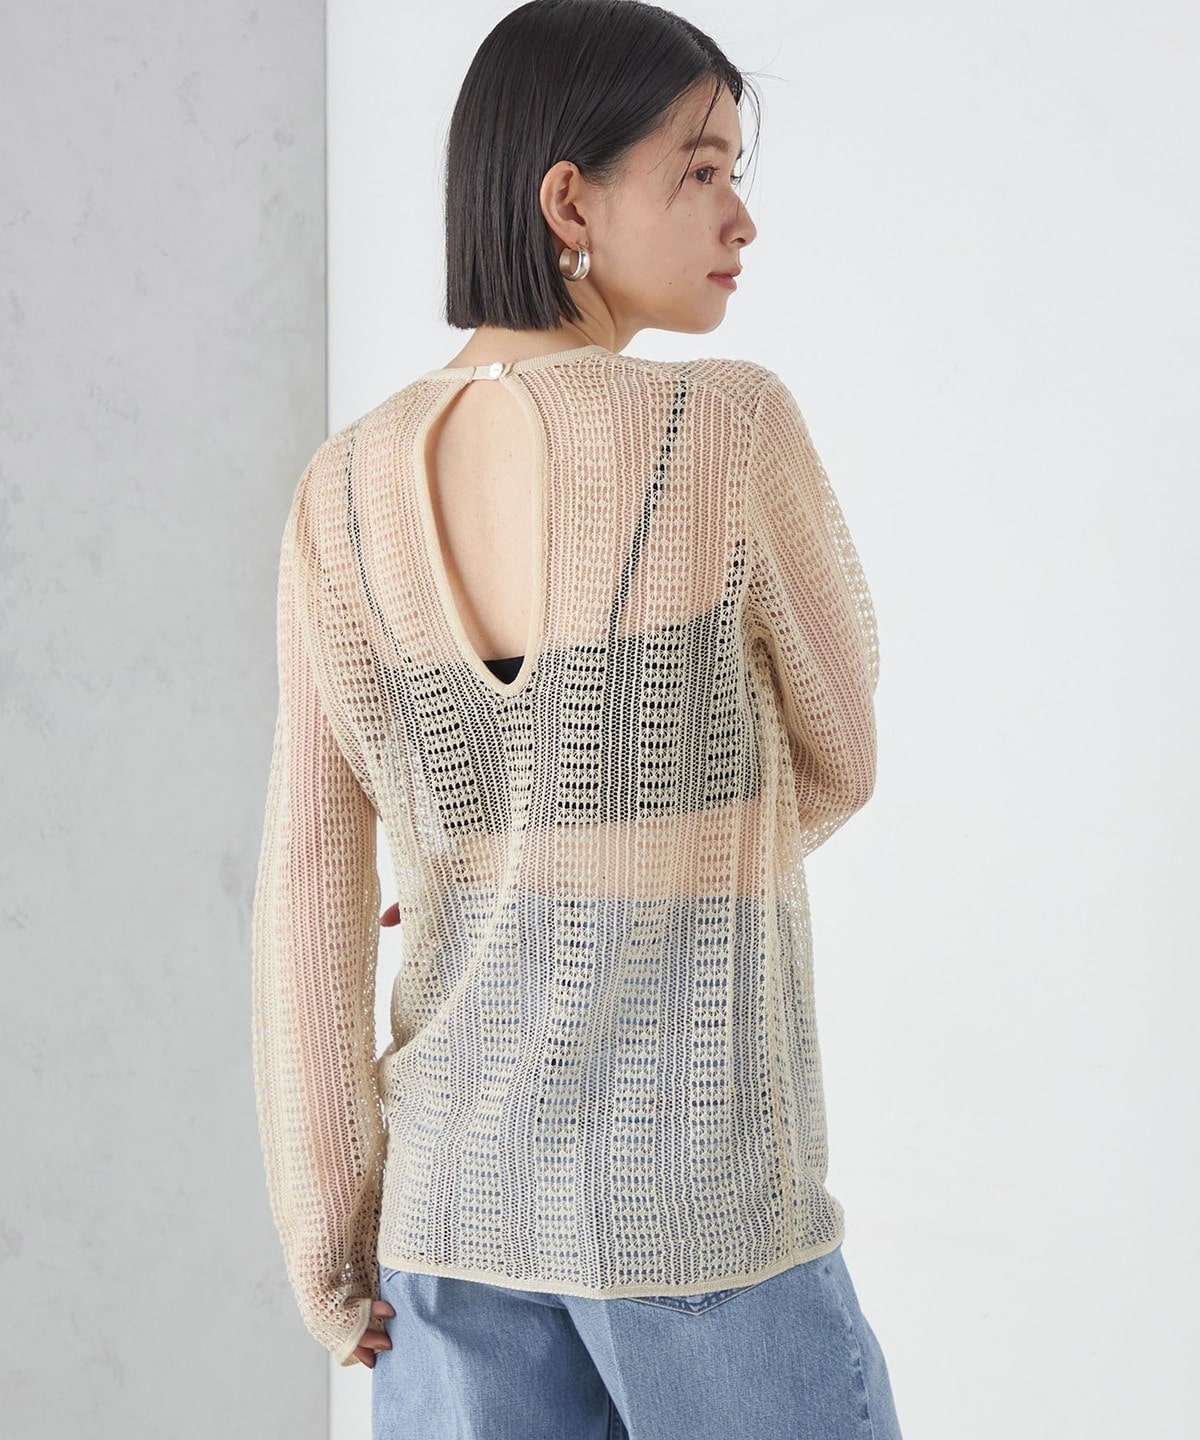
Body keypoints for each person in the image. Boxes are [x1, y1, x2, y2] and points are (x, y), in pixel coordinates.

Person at [250, 0, 903, 1435]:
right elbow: (839, 752)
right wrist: (638, 860)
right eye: (701, 169)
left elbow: (308, 886)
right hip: (702, 1209)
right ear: (570, 200)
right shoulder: (723, 429)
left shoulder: (338, 493)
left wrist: (329, 1240)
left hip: (446, 1227)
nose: (741, 216)